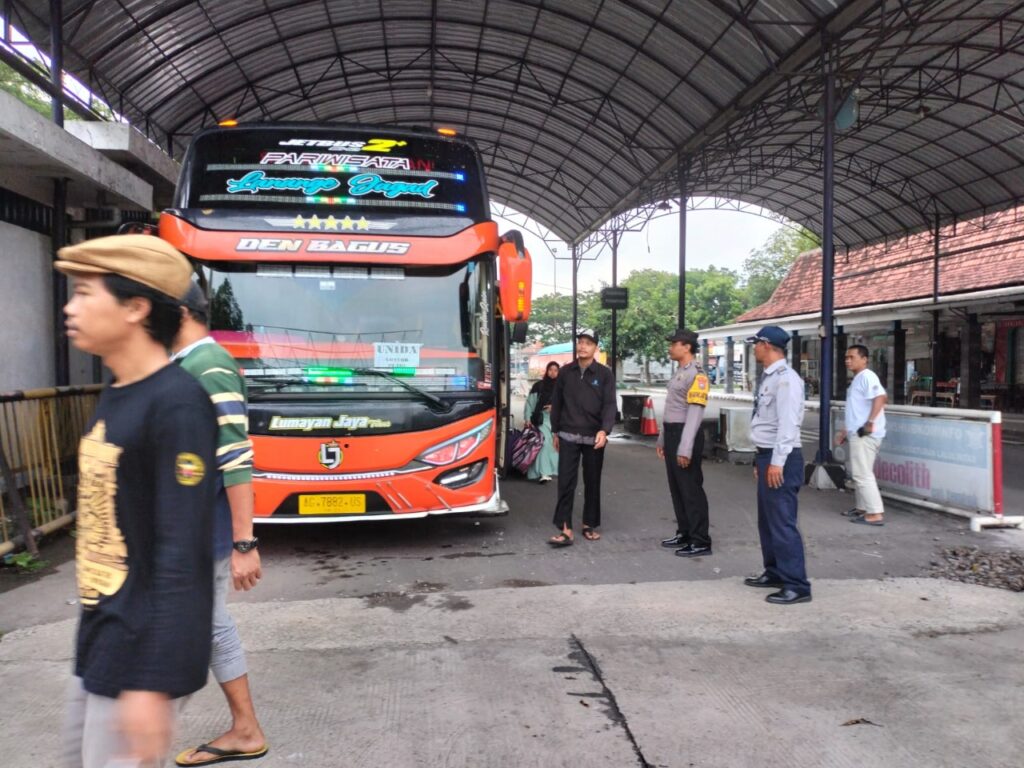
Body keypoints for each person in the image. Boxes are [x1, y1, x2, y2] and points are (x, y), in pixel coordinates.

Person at [56, 235, 218, 767]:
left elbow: (183, 555)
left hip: (141, 651)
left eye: (84, 293)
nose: (70, 307)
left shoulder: (178, 405)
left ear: (135, 307)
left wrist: (152, 685)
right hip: (105, 635)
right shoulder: (119, 391)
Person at [171, 284, 269, 766]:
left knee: (202, 626)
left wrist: (244, 542)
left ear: (182, 311)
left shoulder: (208, 365)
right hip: (179, 531)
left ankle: (246, 730)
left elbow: (235, 455)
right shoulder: (184, 364)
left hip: (199, 532)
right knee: (202, 625)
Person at [743, 325, 812, 605]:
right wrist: (761, 459)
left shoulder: (786, 380)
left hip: (781, 456)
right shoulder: (770, 377)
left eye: (756, 343)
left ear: (768, 345)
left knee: (782, 522)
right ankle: (774, 572)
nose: (754, 348)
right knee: (768, 520)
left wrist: (777, 462)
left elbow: (788, 424)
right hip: (767, 455)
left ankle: (797, 584)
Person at [548, 329, 617, 546]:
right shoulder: (566, 372)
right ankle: (565, 527)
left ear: (596, 347)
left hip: (593, 438)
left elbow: (609, 405)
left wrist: (604, 430)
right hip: (568, 434)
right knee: (566, 482)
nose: (582, 346)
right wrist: (555, 431)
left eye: (588, 343)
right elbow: (557, 403)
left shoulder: (604, 374)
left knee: (592, 481)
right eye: (580, 342)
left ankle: (589, 524)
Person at [657, 329, 712, 557]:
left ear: (687, 346)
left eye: (674, 343)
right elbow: (670, 408)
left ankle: (700, 540)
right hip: (672, 433)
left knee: (690, 489)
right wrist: (662, 438)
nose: (670, 347)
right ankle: (685, 532)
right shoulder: (680, 372)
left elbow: (694, 414)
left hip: (685, 435)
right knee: (677, 488)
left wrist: (685, 447)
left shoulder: (697, 375)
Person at [836, 344, 888, 526]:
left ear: (864, 359)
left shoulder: (867, 376)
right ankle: (863, 508)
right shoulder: (858, 379)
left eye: (852, 357)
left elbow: (880, 397)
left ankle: (874, 513)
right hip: (857, 433)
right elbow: (856, 410)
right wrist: (845, 430)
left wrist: (870, 422)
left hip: (865, 435)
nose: (848, 360)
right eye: (846, 357)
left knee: (862, 474)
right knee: (859, 472)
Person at [524, 361, 560, 483]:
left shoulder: (562, 386)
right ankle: (544, 473)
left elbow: (568, 403)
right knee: (543, 443)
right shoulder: (539, 386)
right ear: (547, 370)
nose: (553, 372)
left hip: (557, 419)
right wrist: (527, 418)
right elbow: (530, 403)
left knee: (554, 445)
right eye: (550, 369)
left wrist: (554, 407)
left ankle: (551, 470)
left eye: (556, 370)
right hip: (541, 419)